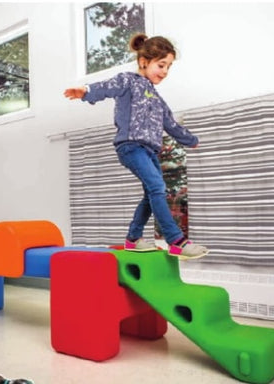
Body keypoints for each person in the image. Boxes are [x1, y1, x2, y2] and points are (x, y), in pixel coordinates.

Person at [64, 33, 208, 260]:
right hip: (130, 146)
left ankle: (133, 239)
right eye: (161, 65)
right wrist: (86, 91)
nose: (165, 71)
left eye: (168, 67)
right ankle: (176, 241)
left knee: (151, 194)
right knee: (157, 187)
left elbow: (170, 124)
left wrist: (191, 140)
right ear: (144, 61)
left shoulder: (158, 99)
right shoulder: (128, 81)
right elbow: (107, 87)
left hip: (150, 151)